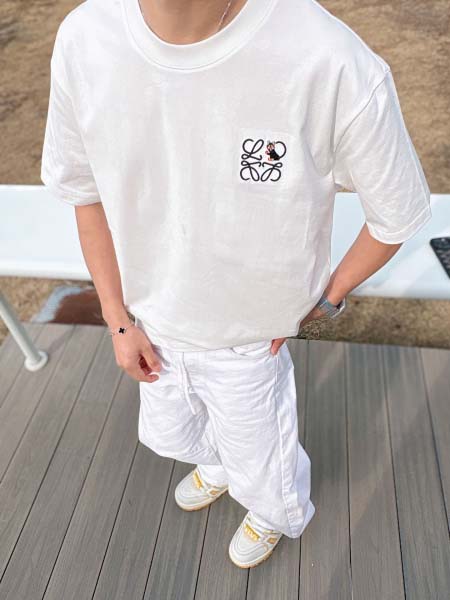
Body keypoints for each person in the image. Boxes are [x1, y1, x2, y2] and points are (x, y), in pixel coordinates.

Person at [40, 0, 432, 569]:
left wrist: (329, 298)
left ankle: (271, 510)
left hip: (250, 337)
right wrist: (118, 320)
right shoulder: (85, 37)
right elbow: (85, 193)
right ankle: (222, 464)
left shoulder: (326, 57)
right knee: (177, 433)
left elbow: (397, 212)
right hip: (151, 321)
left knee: (263, 455)